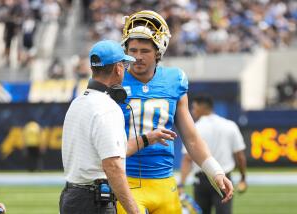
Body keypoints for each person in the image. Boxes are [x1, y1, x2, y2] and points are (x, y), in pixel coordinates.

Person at [117, 10, 233, 214]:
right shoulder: (114, 81)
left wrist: (215, 171)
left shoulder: (174, 80)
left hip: (165, 183)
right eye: (132, 50)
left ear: (158, 52)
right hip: (126, 179)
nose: (137, 57)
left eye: (144, 51)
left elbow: (192, 138)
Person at [59, 40, 177, 214]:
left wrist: (148, 138)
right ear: (118, 68)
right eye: (125, 64)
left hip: (72, 197)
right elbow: (112, 165)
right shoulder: (107, 107)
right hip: (94, 201)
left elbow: (114, 152)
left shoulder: (78, 102)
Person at [180, 94, 247, 214]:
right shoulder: (230, 125)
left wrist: (182, 184)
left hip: (201, 180)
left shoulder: (195, 128)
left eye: (194, 107)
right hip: (224, 178)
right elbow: (240, 156)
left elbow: (187, 159)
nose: (192, 111)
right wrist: (243, 177)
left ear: (202, 108)